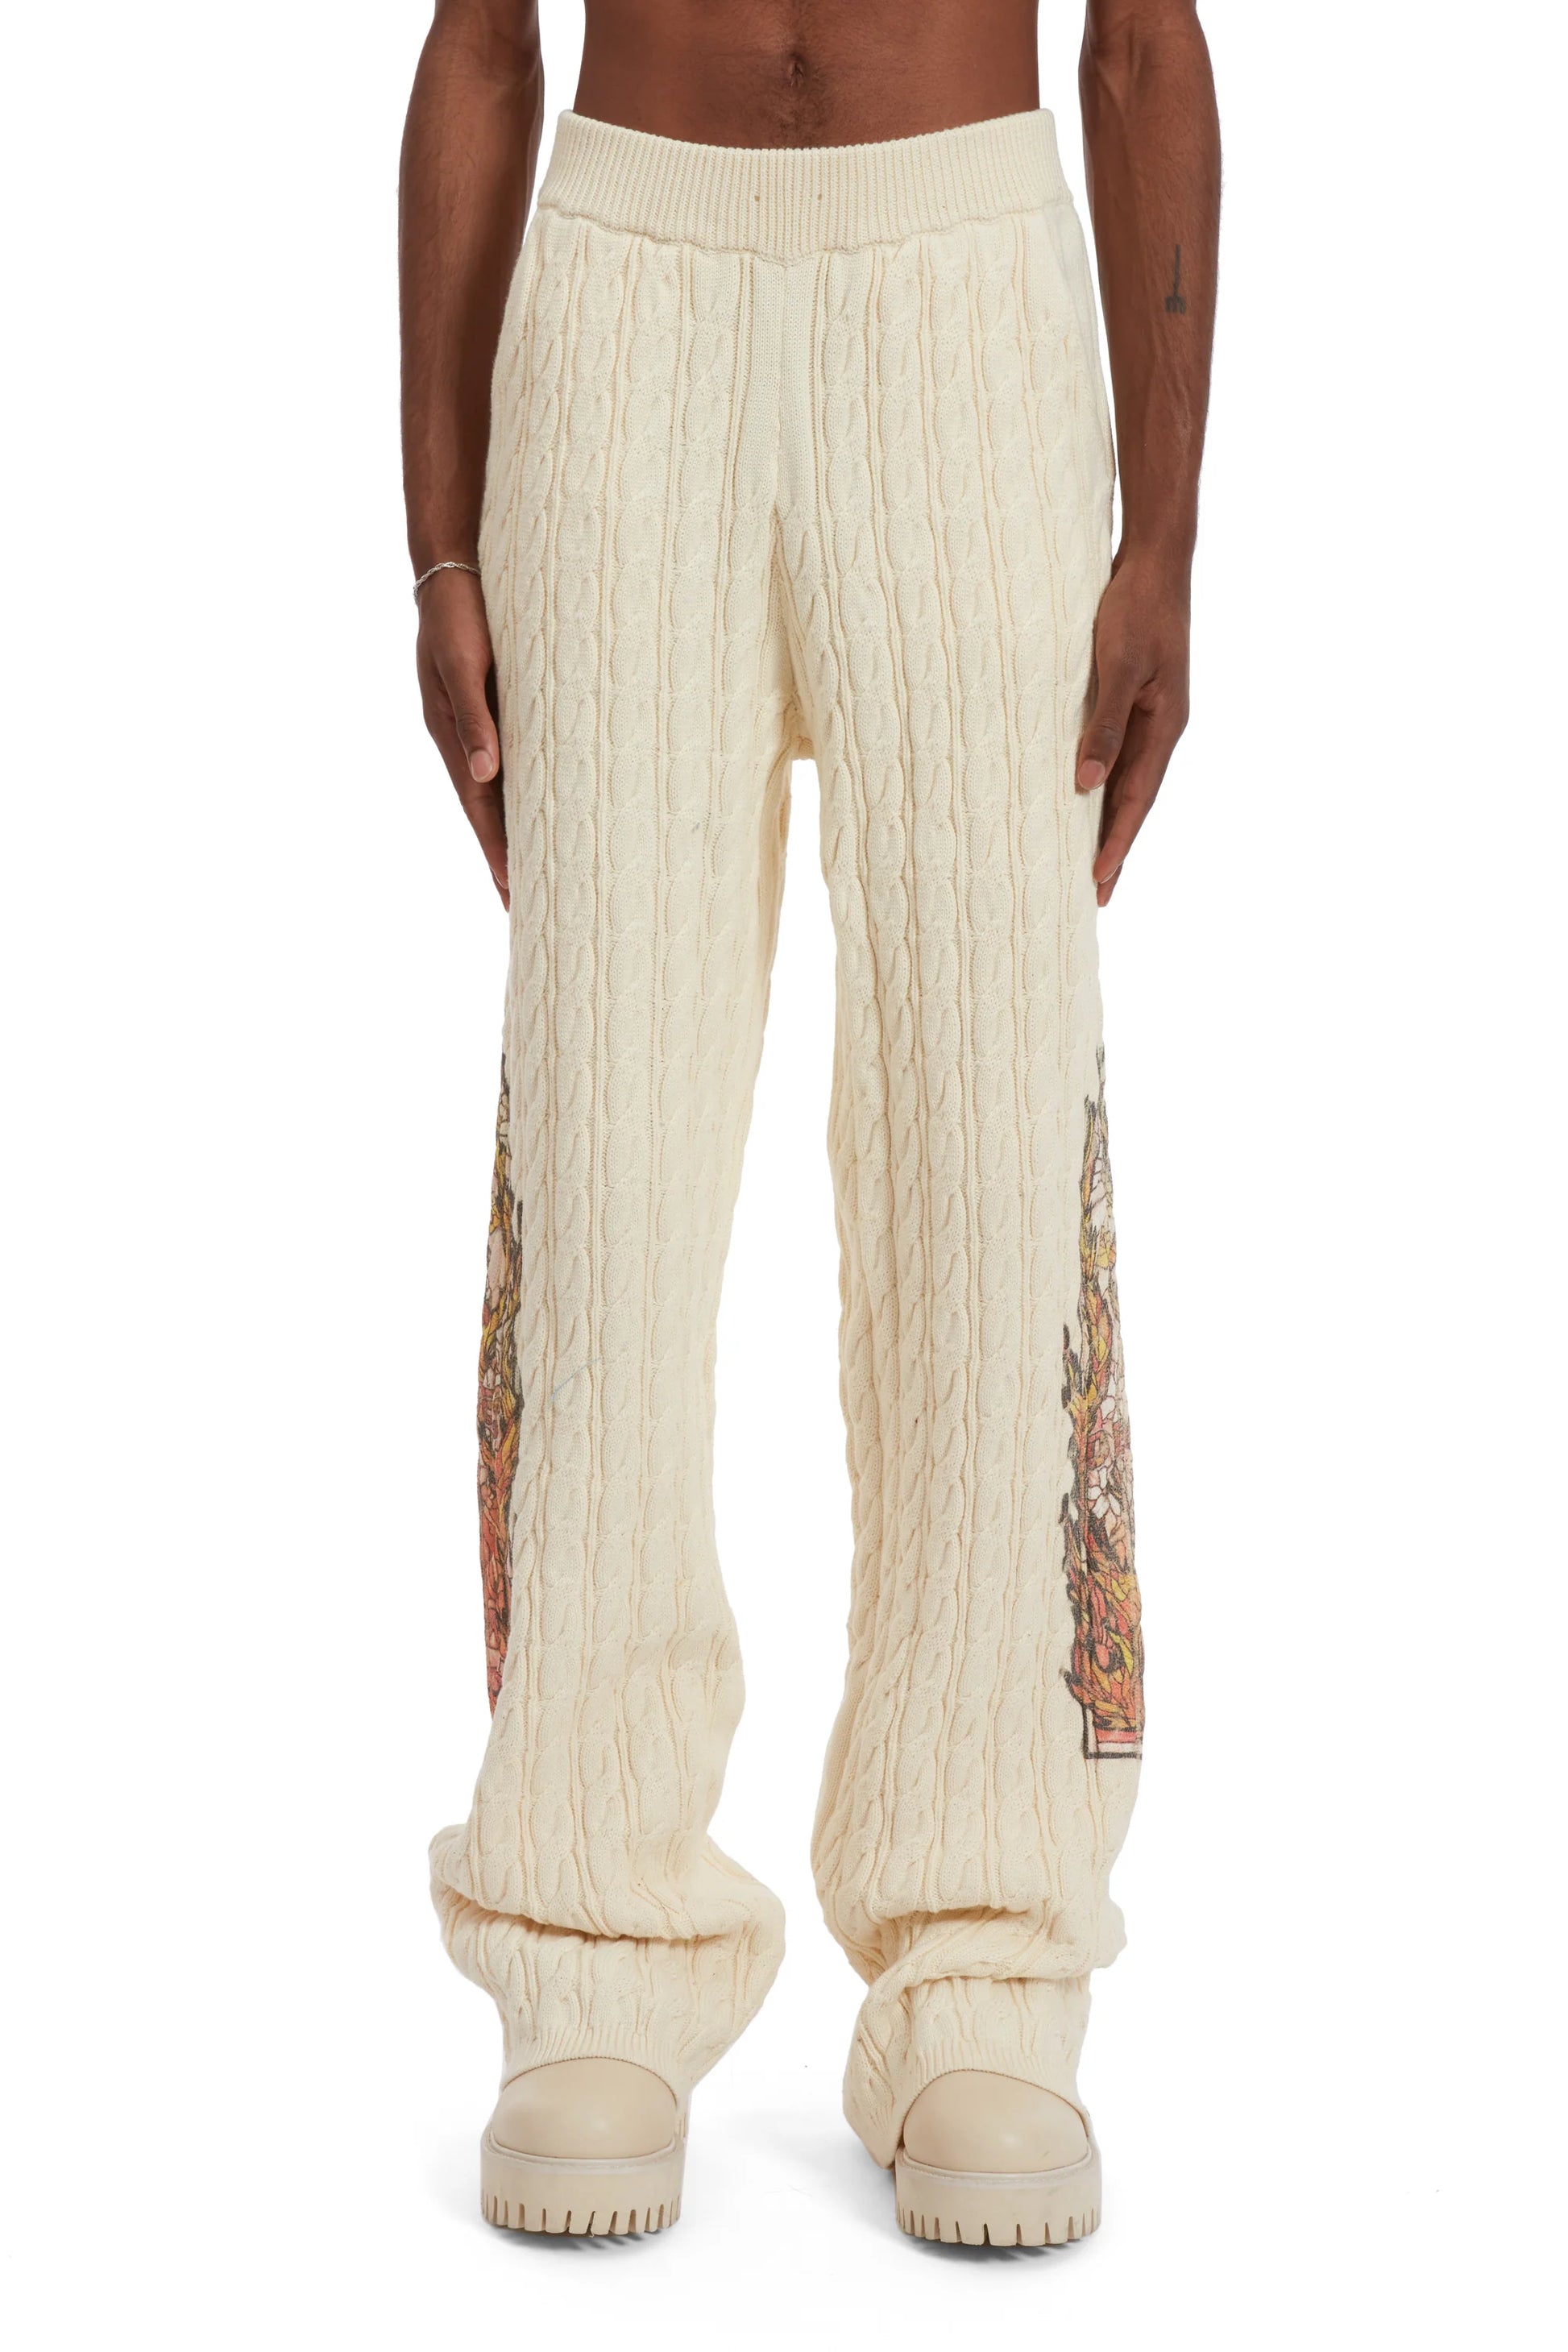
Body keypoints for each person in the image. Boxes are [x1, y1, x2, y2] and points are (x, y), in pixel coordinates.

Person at [400, 0, 1217, 2246]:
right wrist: (439, 546)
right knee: (607, 1149)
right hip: (623, 296)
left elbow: (1141, 38)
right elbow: (476, 35)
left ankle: (985, 1963)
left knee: (988, 1143)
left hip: (964, 292)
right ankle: (587, 1932)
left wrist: (1163, 530)